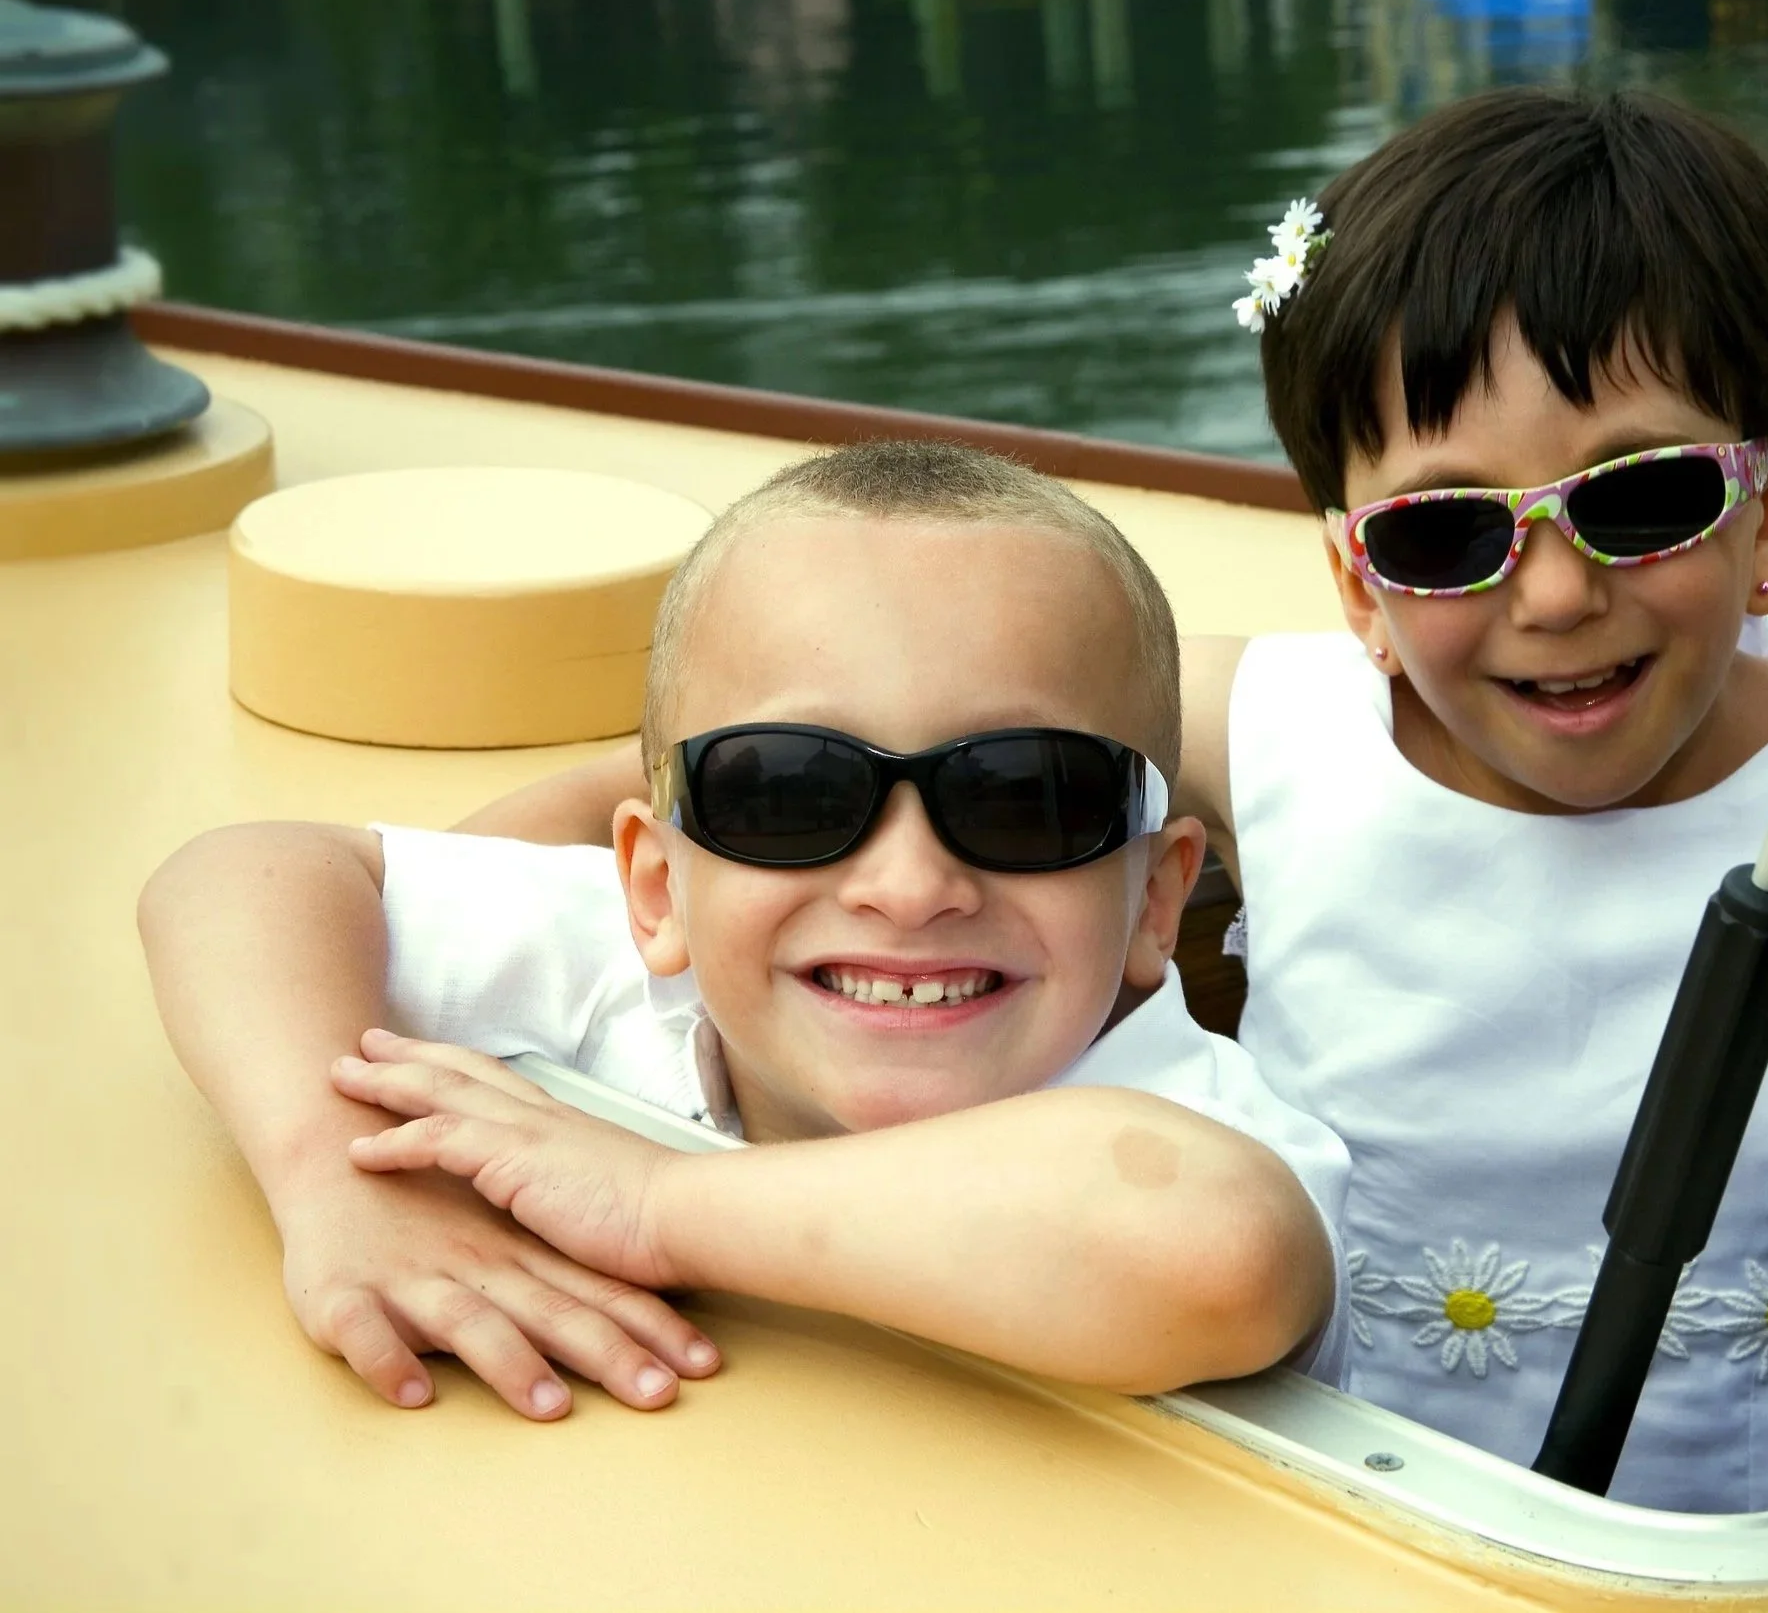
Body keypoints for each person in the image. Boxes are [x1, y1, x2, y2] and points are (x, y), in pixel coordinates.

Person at [457, 87, 1768, 1513]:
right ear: (1357, 582)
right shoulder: (1280, 726)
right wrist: (396, 1126)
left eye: (1642, 499)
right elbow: (698, 783)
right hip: (1318, 1509)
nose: (1556, 595)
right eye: (1442, 531)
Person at [139, 442, 1350, 1423]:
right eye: (788, 791)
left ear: (1155, 898)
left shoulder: (1198, 1124)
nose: (909, 885)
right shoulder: (633, 979)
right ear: (656, 889)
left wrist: (658, 1203)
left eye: (1024, 794)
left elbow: (1218, 1252)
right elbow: (241, 874)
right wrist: (332, 1173)